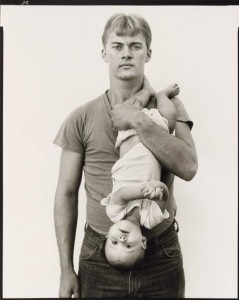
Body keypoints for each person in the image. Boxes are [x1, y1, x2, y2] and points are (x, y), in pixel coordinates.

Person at [54, 13, 198, 298]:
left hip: (160, 252)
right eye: (118, 46)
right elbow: (66, 194)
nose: (126, 53)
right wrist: (65, 268)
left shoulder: (170, 107)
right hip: (98, 254)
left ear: (148, 52)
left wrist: (137, 119)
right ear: (104, 53)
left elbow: (188, 166)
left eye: (135, 45)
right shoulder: (81, 117)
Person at [102, 80, 180, 270]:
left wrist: (144, 192)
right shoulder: (150, 220)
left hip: (129, 137)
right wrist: (159, 190)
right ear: (143, 242)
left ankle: (146, 91)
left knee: (126, 109)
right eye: (128, 245)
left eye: (113, 242)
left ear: (107, 235)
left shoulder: (114, 213)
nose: (121, 239)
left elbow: (121, 193)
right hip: (155, 138)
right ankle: (161, 96)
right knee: (169, 117)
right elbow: (164, 197)